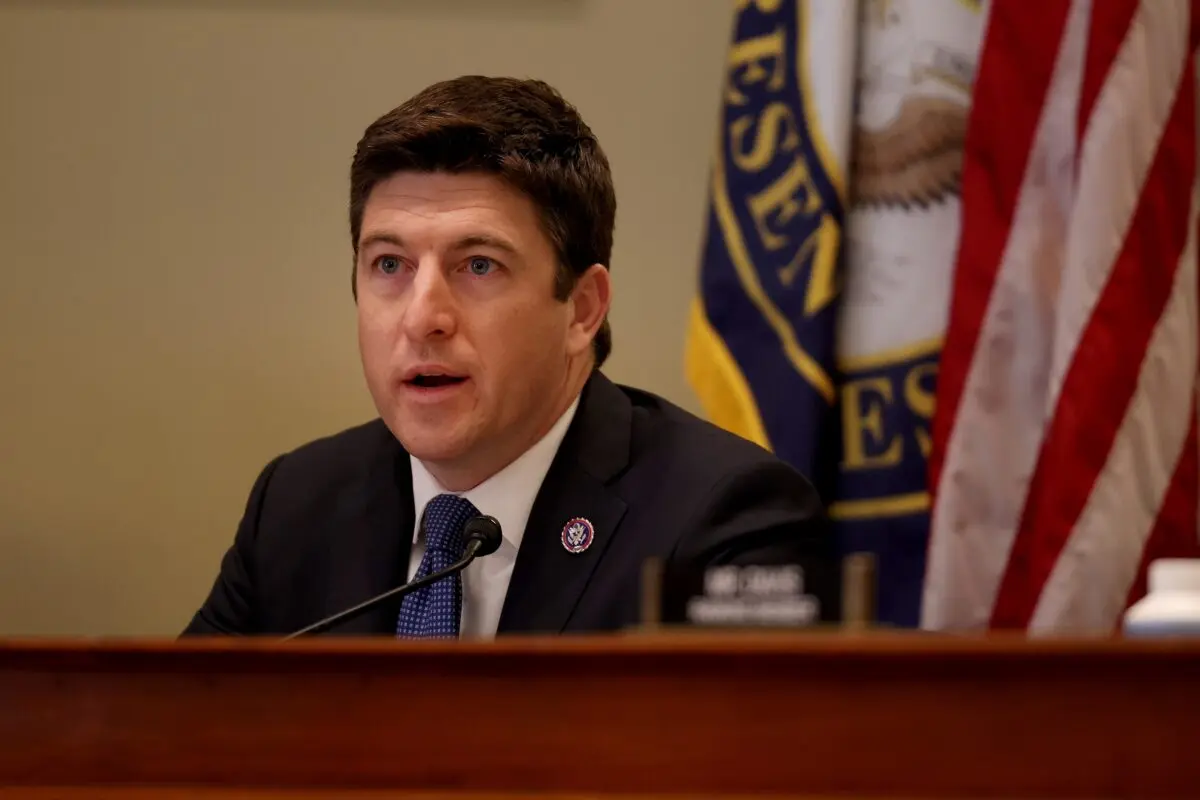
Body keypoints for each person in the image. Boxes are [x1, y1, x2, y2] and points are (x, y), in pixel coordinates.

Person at [183, 75, 830, 638]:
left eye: (479, 265)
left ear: (582, 309)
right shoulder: (298, 504)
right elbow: (176, 745)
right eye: (389, 264)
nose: (422, 318)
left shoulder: (726, 522)